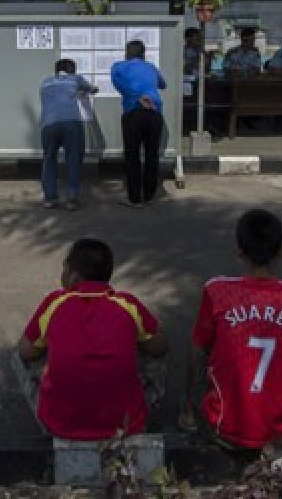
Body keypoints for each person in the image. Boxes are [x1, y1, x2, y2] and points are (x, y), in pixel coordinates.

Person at [182, 210, 282, 450]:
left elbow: (197, 348)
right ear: (280, 251)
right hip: (281, 433)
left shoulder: (217, 290)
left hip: (221, 428)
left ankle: (187, 412)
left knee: (203, 343)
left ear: (239, 250)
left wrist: (189, 399)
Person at [15, 238, 168, 440]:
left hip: (61, 426)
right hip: (124, 426)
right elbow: (159, 347)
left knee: (19, 355)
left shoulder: (55, 302)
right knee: (157, 347)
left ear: (73, 277)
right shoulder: (127, 304)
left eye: (64, 269)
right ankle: (144, 405)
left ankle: (51, 410)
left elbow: (25, 351)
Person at [111, 40, 167, 208]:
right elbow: (163, 84)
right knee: (152, 154)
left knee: (132, 156)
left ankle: (134, 199)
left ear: (127, 53)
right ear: (143, 54)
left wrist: (138, 97)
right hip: (154, 113)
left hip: (133, 113)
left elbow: (120, 85)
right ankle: (149, 196)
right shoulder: (151, 67)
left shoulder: (118, 67)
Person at [38, 59, 96, 210]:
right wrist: (87, 90)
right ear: (71, 70)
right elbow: (92, 89)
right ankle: (71, 199)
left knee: (49, 159)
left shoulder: (45, 82)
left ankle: (50, 199)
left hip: (48, 124)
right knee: (73, 159)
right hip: (71, 123)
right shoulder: (75, 79)